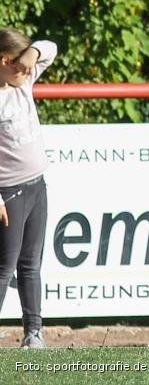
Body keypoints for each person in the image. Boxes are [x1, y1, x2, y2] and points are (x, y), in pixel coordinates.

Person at [0, 28, 58, 349]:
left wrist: (32, 54)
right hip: (9, 193)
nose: (28, 72)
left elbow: (50, 47)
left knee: (31, 263)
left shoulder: (24, 82)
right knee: (5, 266)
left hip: (37, 186)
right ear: (4, 61)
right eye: (20, 66)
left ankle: (33, 332)